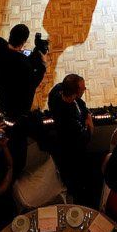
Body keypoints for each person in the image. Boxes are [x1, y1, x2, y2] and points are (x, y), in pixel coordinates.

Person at [48, 74, 93, 203]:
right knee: (73, 173)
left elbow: (80, 105)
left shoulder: (57, 91)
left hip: (61, 142)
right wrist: (89, 123)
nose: (84, 90)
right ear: (74, 94)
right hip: (71, 149)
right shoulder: (71, 120)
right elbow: (87, 136)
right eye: (83, 89)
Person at [0, 24, 47, 119]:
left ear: (10, 34)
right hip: (18, 101)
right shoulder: (24, 63)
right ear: (24, 42)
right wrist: (43, 66)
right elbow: (33, 83)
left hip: (1, 85)